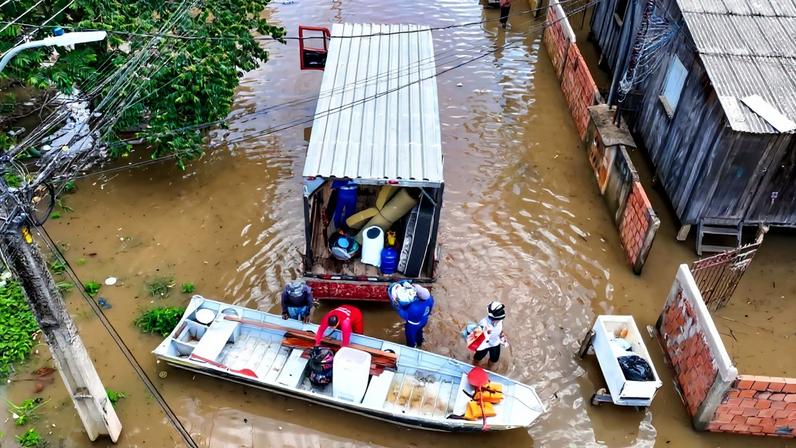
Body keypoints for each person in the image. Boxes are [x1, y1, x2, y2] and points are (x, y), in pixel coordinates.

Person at [388, 281, 434, 348]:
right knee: (419, 331)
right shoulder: (430, 298)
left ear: (418, 296)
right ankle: (420, 343)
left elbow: (402, 313)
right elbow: (430, 309)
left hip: (413, 325)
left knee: (410, 337)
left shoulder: (414, 308)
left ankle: (412, 347)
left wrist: (396, 305)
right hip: (424, 319)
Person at [473, 301, 507, 368]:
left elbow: (500, 328)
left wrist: (502, 335)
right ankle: (475, 367)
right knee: (477, 358)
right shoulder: (483, 323)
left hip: (495, 343)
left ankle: (488, 368)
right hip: (484, 344)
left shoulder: (501, 320)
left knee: (494, 360)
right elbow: (476, 335)